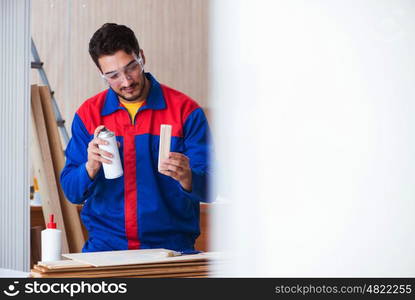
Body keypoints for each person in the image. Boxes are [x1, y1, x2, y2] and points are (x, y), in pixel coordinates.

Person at [60, 23, 211, 254]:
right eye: (113, 75)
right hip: (107, 249)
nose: (126, 81)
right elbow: (72, 191)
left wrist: (189, 177)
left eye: (130, 68)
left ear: (141, 58)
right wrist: (89, 167)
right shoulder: (89, 114)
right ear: (102, 75)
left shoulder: (186, 112)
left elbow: (213, 187)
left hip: (172, 249)